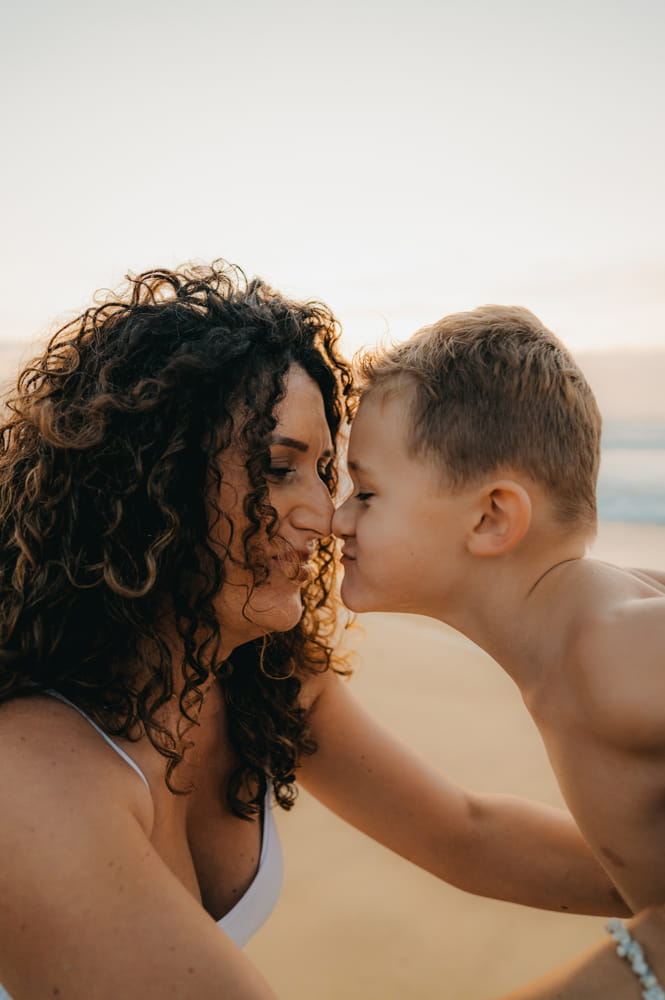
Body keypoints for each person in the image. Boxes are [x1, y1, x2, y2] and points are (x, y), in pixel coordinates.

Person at [0, 268, 624, 1000]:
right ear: (145, 483)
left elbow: (468, 834)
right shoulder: (28, 775)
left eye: (327, 472)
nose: (324, 516)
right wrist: (641, 961)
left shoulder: (258, 681)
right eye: (276, 468)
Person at [333, 303, 665, 998]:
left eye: (365, 492)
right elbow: (471, 836)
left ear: (490, 518)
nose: (338, 518)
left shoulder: (610, 648)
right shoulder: (581, 641)